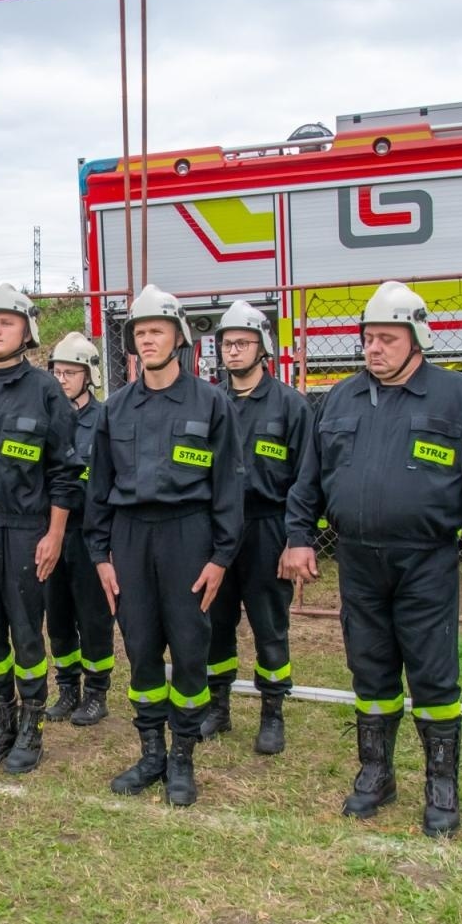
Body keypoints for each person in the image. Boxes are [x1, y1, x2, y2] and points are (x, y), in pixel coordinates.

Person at [280, 281, 462, 838]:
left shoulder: (457, 396)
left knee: (433, 674)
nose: (374, 348)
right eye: (368, 338)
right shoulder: (340, 398)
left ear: (418, 337)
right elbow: (309, 477)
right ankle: (376, 773)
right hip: (358, 561)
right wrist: (299, 536)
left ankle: (441, 784)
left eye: (387, 338)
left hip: (426, 560)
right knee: (371, 667)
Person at [86, 284, 244, 806]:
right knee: (141, 646)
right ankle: (151, 750)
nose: (147, 339)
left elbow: (228, 487)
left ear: (178, 337)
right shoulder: (115, 409)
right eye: (139, 332)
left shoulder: (211, 403)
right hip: (131, 538)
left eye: (156, 330)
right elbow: (99, 489)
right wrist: (101, 556)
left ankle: (182, 757)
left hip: (188, 534)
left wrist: (221, 557)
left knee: (190, 647)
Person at [0, 283, 81, 774]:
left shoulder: (45, 390)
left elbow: (66, 471)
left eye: (6, 321)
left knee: (26, 632)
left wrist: (55, 534)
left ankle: (31, 723)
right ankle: (1, 718)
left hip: (26, 528)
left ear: (27, 331)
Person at [203, 302, 312, 755]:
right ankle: (218, 706)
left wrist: (297, 538)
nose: (233, 351)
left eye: (242, 343)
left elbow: (307, 476)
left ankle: (272, 713)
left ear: (262, 347)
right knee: (215, 621)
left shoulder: (290, 406)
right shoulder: (208, 402)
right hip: (215, 530)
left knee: (270, 625)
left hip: (267, 527)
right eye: (227, 343)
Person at [43, 331, 117, 727]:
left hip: (90, 536)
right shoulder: (45, 419)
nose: (63, 379)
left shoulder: (105, 420)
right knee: (57, 615)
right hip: (53, 533)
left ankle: (96, 691)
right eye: (57, 372)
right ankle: (68, 686)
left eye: (71, 372)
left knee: (93, 616)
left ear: (89, 375)